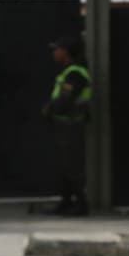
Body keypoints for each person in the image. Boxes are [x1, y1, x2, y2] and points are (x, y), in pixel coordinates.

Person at [42, 34, 91, 216]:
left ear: (66, 52)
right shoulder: (69, 71)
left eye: (57, 49)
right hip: (64, 125)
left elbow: (65, 100)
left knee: (72, 166)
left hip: (72, 125)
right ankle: (66, 202)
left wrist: (48, 109)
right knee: (64, 166)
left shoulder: (75, 74)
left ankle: (81, 204)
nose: (54, 53)